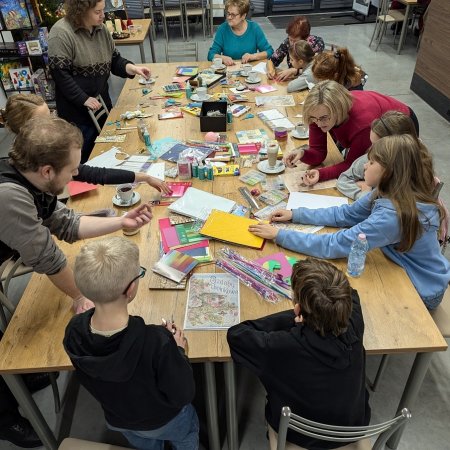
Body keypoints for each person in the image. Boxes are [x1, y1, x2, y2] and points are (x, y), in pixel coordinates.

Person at [250, 135, 450, 310]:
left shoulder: (391, 216)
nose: (364, 165)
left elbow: (334, 245)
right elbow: (345, 214)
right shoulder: (386, 190)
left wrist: (279, 235)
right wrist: (295, 214)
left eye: (371, 163)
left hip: (423, 288)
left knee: (339, 300)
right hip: (408, 267)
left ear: (388, 171)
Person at [0, 116, 153, 314]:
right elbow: (46, 257)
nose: (74, 176)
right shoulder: (9, 196)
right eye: (72, 170)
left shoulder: (31, 177)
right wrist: (79, 296)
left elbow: (67, 223)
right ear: (47, 171)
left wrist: (122, 221)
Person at [64, 236, 198, 449]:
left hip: (119, 420)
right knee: (186, 434)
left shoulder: (73, 332)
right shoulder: (157, 341)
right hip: (166, 419)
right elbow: (184, 393)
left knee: (146, 444)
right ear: (131, 289)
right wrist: (179, 350)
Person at [227, 258, 370, 449]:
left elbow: (237, 334)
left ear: (298, 308)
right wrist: (312, 315)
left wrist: (298, 319)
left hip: (300, 436)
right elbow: (351, 293)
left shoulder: (282, 346)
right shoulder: (354, 322)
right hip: (352, 428)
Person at [4, 94, 171, 195]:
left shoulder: (40, 155)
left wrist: (144, 177)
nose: (53, 122)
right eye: (45, 120)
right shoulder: (18, 186)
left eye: (51, 114)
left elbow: (94, 173)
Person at [48, 0, 151, 163]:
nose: (103, 15)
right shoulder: (61, 33)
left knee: (105, 152)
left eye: (103, 10)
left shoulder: (101, 29)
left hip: (100, 101)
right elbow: (60, 74)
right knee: (85, 158)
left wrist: (132, 68)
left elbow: (114, 60)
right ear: (80, 11)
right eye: (97, 12)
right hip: (76, 113)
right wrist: (83, 99)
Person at [283, 80, 417, 185]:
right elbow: (318, 152)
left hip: (401, 123)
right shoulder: (318, 113)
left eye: (323, 118)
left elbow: (352, 165)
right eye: (313, 119)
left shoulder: (363, 125)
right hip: (374, 117)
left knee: (390, 171)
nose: (318, 124)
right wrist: (302, 153)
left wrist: (321, 174)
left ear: (338, 110)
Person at [337, 111, 418, 200]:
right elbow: (343, 180)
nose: (370, 150)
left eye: (376, 145)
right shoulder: (368, 158)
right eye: (371, 143)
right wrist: (364, 194)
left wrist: (367, 193)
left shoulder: (420, 172)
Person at [207, 0, 273, 65]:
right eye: (228, 13)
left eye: (233, 15)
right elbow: (211, 55)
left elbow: (269, 52)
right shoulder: (223, 29)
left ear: (243, 16)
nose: (229, 17)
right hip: (229, 72)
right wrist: (222, 58)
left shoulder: (254, 28)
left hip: (249, 71)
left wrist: (252, 56)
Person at [269, 15, 324, 81]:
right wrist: (271, 70)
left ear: (305, 39)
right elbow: (272, 60)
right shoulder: (287, 42)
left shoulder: (316, 44)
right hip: (293, 80)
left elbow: (315, 71)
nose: (291, 43)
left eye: (295, 41)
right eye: (290, 39)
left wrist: (295, 71)